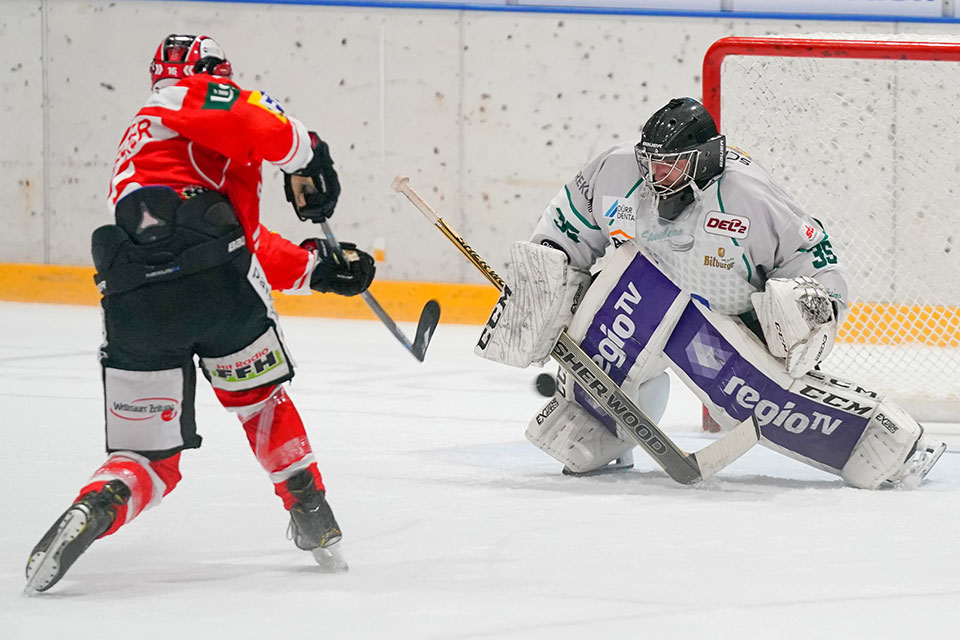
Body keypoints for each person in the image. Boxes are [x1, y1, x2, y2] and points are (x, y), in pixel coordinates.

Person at [24, 34, 376, 594]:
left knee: (146, 458)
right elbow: (252, 123)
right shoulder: (180, 98)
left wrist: (315, 268)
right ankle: (311, 510)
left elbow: (244, 232)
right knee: (259, 400)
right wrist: (307, 154)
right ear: (209, 72)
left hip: (133, 296)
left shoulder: (148, 146)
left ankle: (99, 501)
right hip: (217, 286)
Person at [475, 97, 946, 489]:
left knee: (754, 400)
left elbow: (815, 258)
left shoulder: (751, 198)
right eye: (651, 161)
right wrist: (542, 284)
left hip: (724, 320)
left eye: (670, 164)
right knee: (586, 393)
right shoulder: (612, 172)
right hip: (637, 300)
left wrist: (812, 311)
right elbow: (564, 231)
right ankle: (603, 429)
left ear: (703, 158)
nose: (656, 173)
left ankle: (885, 441)